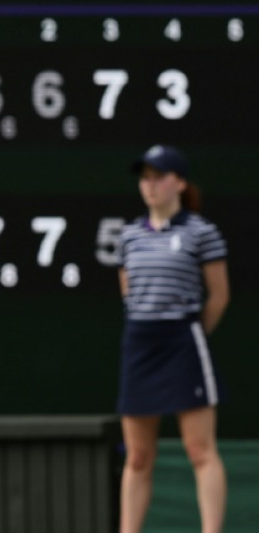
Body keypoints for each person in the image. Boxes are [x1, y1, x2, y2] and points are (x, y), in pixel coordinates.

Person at [116, 144, 230, 533]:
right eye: (145, 178)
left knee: (200, 450)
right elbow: (128, 292)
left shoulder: (203, 232)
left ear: (179, 183)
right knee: (137, 457)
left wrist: (190, 332)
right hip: (140, 343)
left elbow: (219, 296)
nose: (150, 186)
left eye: (159, 177)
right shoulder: (129, 236)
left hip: (183, 340)